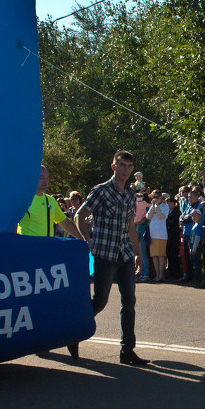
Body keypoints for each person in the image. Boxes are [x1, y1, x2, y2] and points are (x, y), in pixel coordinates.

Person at [71, 150, 149, 366]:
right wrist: (87, 240)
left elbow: (130, 226)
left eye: (130, 166)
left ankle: (127, 351)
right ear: (113, 167)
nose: (126, 169)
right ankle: (74, 332)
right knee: (100, 300)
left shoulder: (130, 194)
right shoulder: (102, 191)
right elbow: (80, 215)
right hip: (105, 253)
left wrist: (138, 254)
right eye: (122, 165)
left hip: (124, 253)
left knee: (129, 301)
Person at [18, 166, 69, 237]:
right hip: (27, 246)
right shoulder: (22, 199)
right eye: (41, 178)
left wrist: (84, 238)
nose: (46, 181)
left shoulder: (51, 200)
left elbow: (66, 223)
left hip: (47, 246)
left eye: (47, 178)